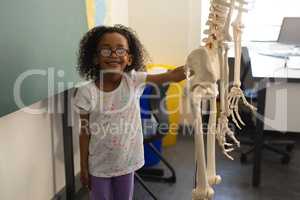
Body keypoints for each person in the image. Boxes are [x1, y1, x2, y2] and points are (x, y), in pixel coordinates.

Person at [74, 24, 186, 200]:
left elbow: (172, 76)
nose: (113, 54)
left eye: (120, 50)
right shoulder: (86, 92)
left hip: (127, 162)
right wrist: (84, 166)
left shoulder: (133, 81)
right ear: (95, 58)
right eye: (106, 50)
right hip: (99, 165)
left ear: (129, 59)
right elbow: (84, 132)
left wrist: (198, 63)